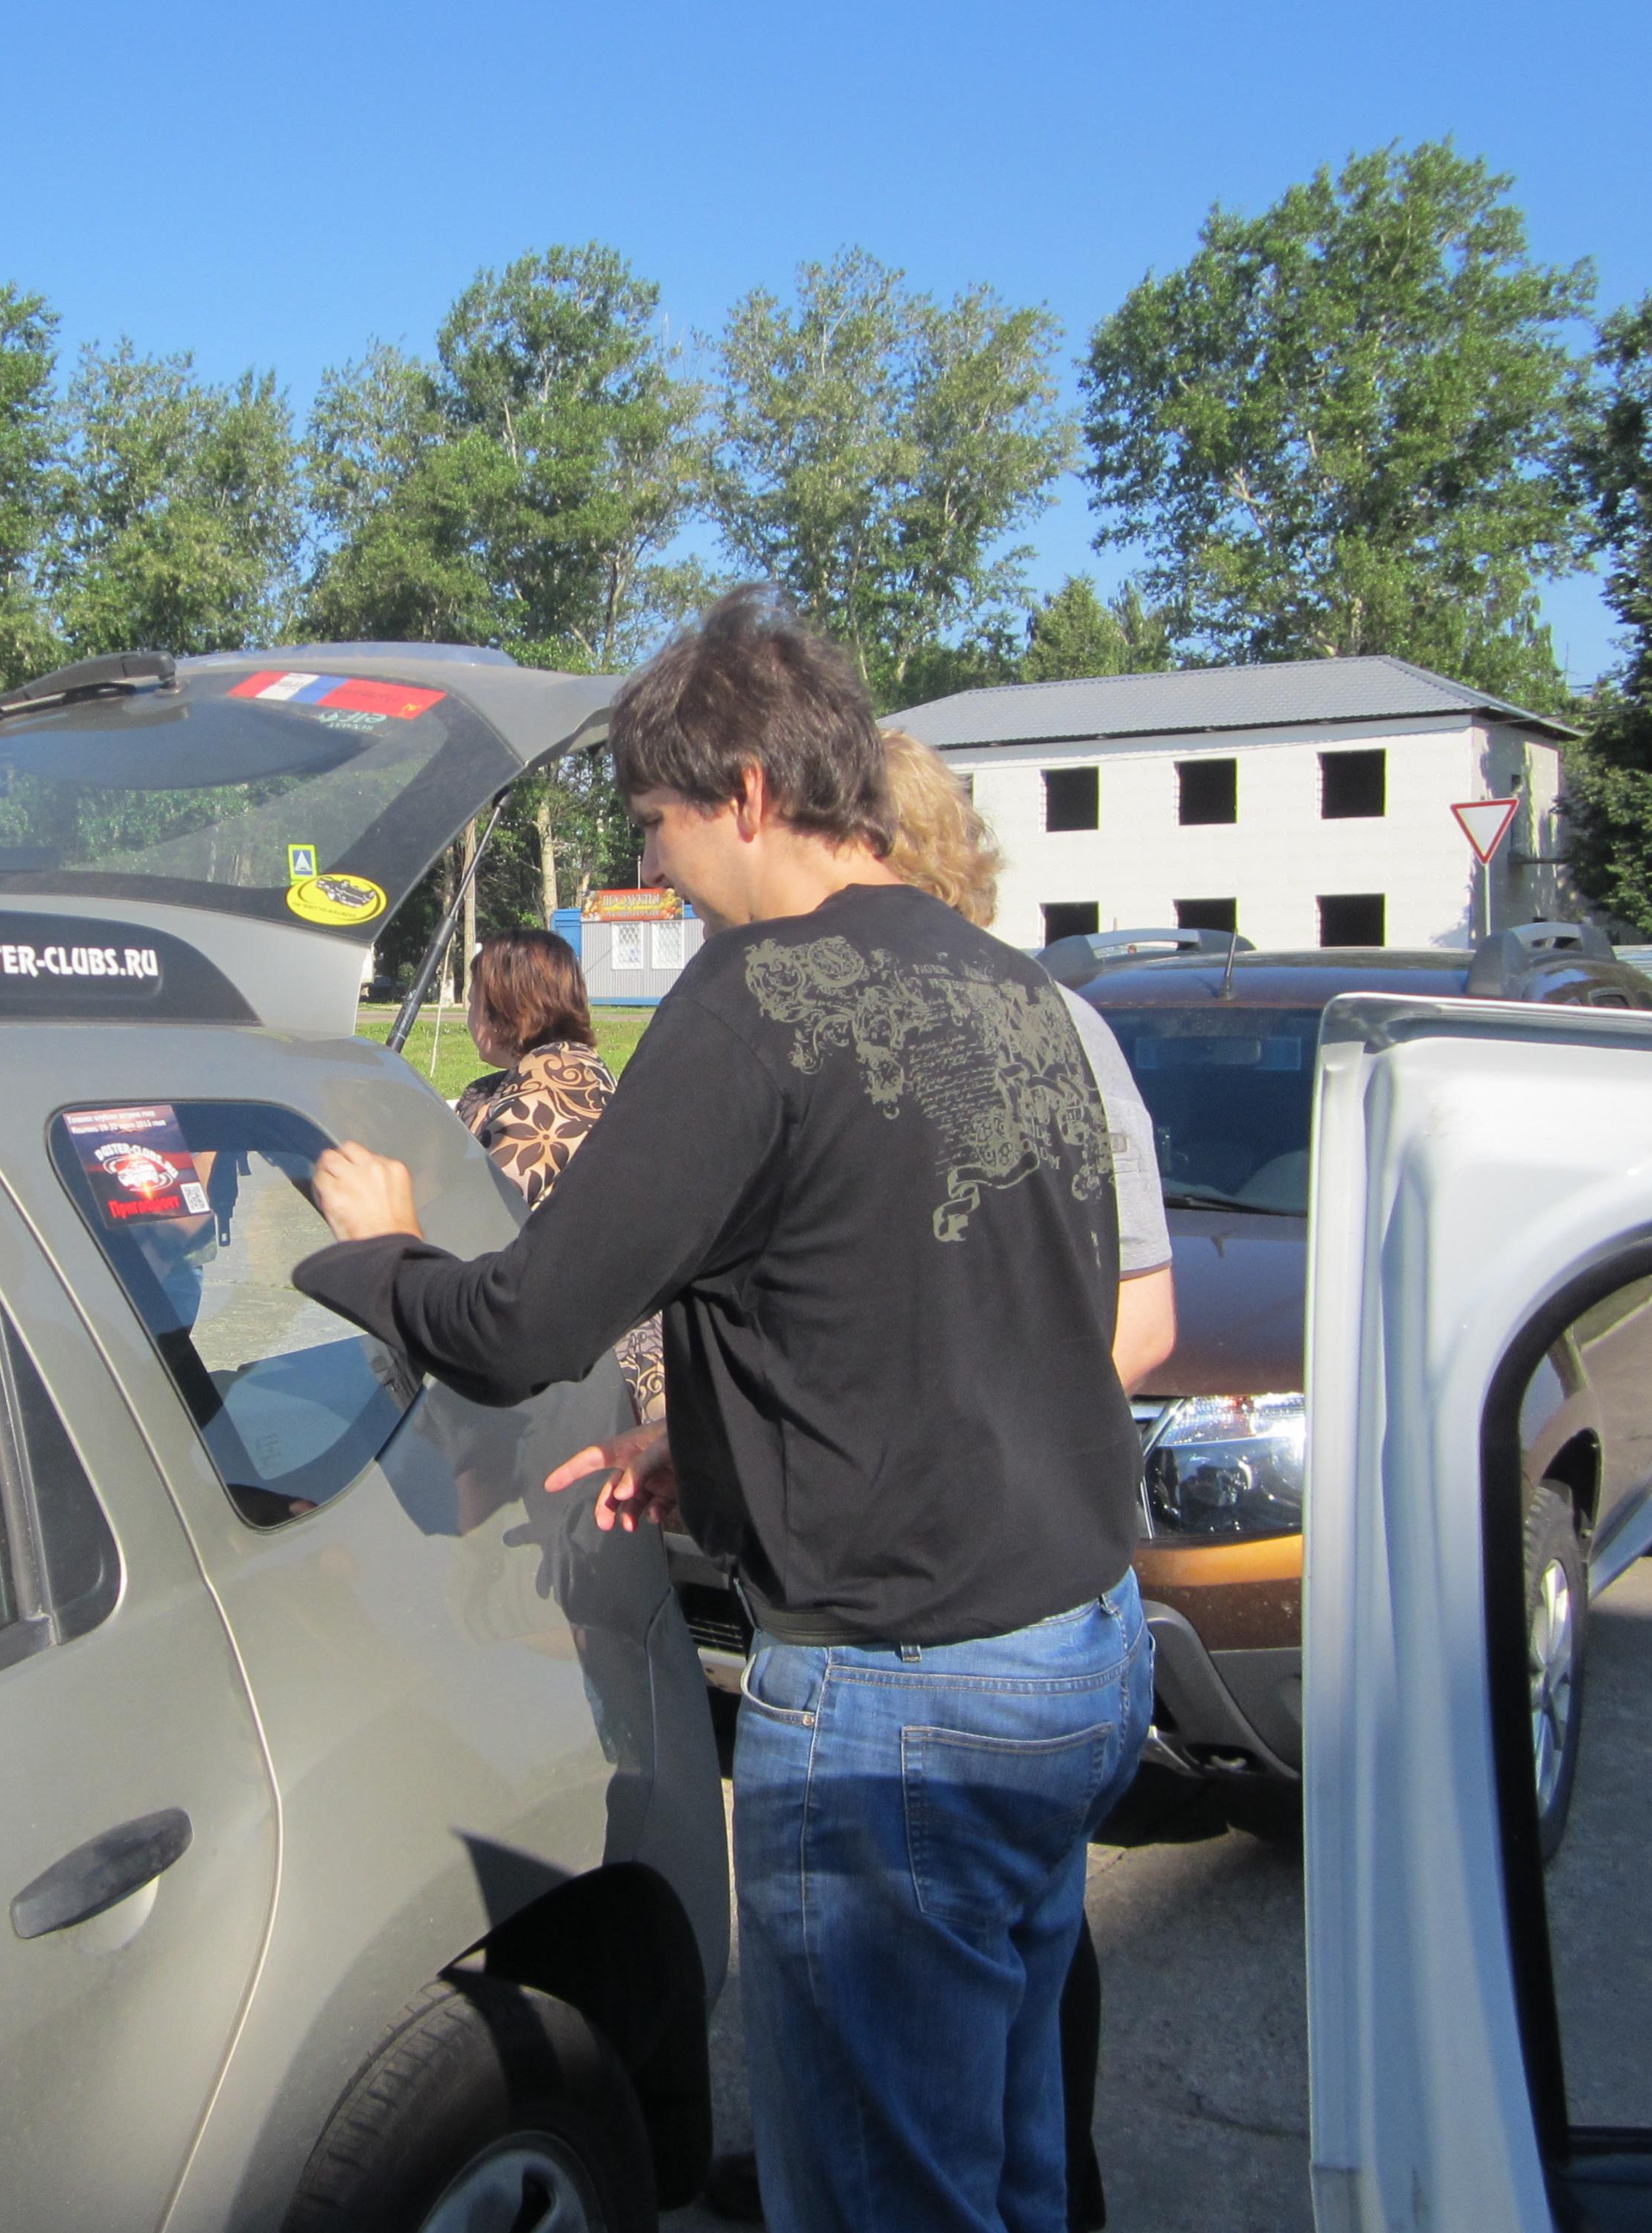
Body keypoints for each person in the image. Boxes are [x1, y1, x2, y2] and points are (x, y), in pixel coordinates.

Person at [295, 587, 1152, 2233]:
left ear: (746, 792)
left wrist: (376, 1252)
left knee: (889, 2198)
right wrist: (711, 1446)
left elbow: (522, 1324)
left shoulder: (756, 996)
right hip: (1080, 1649)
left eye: (655, 821)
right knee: (1012, 2157)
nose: (654, 863)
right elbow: (973, 1314)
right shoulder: (1010, 988)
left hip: (908, 1700)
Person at [695, 729, 1176, 2231]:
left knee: (929, 2119)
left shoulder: (1015, 1024)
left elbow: (1138, 1326)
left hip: (935, 1634)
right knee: (1001, 2060)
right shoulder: (1020, 1015)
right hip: (1063, 1618)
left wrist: (949, 1443)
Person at [450, 928, 666, 1418]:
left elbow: (481, 1219)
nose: (468, 1014)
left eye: (474, 998)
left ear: (506, 1005)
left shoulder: (549, 1092)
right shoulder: (553, 1074)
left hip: (598, 1362)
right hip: (583, 1333)